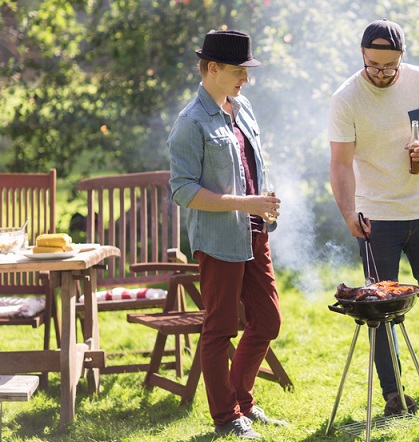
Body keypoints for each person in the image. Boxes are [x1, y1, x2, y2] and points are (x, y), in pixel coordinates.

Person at [328, 19, 419, 414]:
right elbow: (339, 164)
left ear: (402, 58)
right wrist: (349, 212)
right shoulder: (346, 98)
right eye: (374, 66)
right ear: (362, 57)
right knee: (379, 310)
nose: (382, 75)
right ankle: (393, 394)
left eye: (390, 67)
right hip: (376, 218)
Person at [168, 29, 287, 440]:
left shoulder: (243, 107)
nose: (246, 79)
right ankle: (227, 417)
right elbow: (182, 190)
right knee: (219, 329)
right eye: (239, 71)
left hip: (255, 233)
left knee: (268, 321)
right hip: (219, 241)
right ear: (212, 68)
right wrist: (244, 203)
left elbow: (252, 164)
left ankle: (242, 400)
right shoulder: (190, 122)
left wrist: (263, 202)